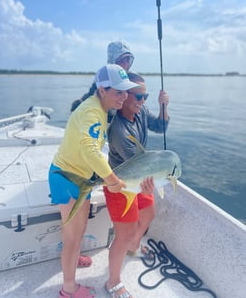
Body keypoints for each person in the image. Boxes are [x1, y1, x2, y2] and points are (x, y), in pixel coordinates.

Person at [48, 64, 141, 298]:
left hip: (81, 177)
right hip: (69, 178)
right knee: (72, 236)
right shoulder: (91, 112)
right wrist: (112, 180)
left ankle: (73, 255)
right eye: (118, 92)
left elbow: (92, 151)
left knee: (78, 231)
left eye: (126, 91)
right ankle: (68, 289)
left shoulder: (99, 108)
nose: (125, 97)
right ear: (101, 90)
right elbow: (90, 151)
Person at [104, 71, 170, 298]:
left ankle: (133, 247)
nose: (143, 101)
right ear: (124, 96)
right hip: (120, 184)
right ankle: (113, 282)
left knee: (149, 214)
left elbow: (160, 127)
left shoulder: (140, 111)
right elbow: (137, 167)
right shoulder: (118, 131)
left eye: (146, 96)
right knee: (123, 234)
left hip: (142, 178)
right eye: (138, 96)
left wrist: (163, 107)